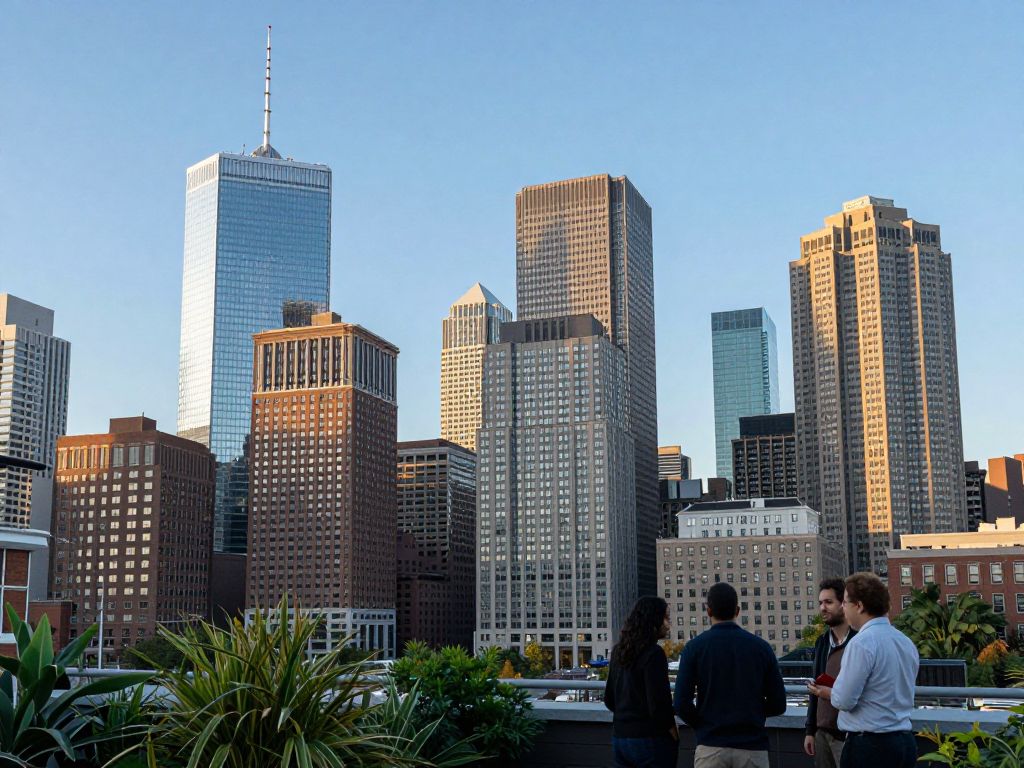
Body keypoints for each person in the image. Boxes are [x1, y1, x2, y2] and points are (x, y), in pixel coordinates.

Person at [808, 572, 919, 768]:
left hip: (870, 745)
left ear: (858, 606)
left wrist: (828, 692)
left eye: (845, 603)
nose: (843, 607)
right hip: (904, 741)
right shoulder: (905, 642)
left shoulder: (861, 643)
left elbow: (844, 700)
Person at [673, 582, 786, 768]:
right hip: (752, 746)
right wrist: (752, 713)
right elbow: (778, 704)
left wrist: (704, 724)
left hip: (711, 746)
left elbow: (681, 703)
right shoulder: (761, 648)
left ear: (708, 611)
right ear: (738, 610)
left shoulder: (694, 648)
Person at [604, 596, 679, 768]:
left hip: (620, 738)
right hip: (650, 740)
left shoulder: (618, 651)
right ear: (653, 621)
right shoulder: (654, 654)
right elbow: (658, 705)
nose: (669, 624)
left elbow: (609, 699)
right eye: (665, 618)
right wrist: (673, 732)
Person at [804, 578, 857, 768]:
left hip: (848, 733)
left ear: (843, 604)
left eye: (828, 602)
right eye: (820, 603)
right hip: (822, 732)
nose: (822, 608)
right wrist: (810, 730)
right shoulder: (822, 642)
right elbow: (814, 688)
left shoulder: (858, 641)